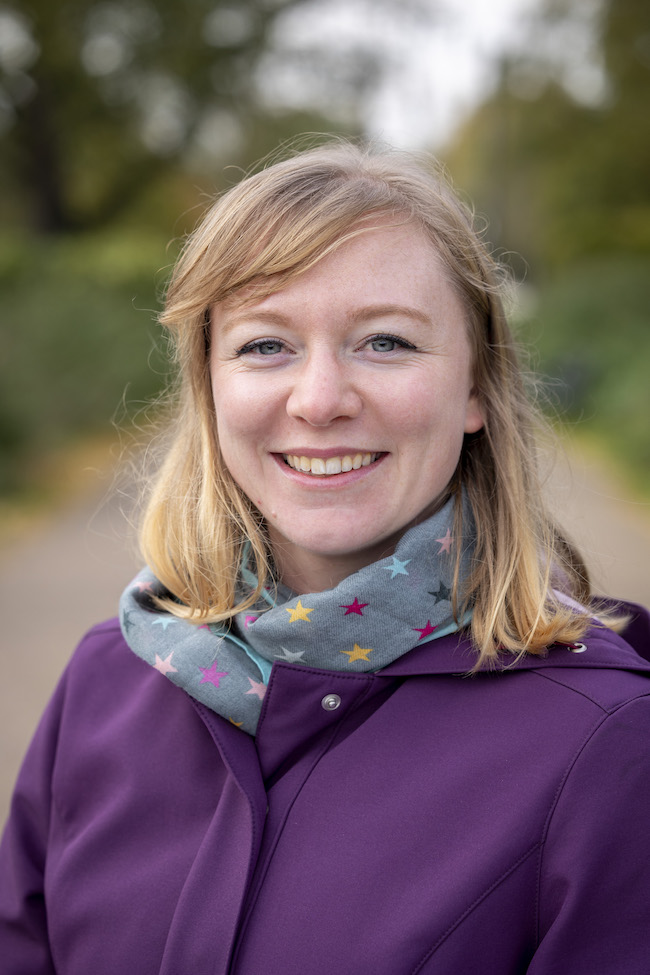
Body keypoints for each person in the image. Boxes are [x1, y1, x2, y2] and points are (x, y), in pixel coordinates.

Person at [1, 139, 649, 975]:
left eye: (384, 342)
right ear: (208, 386)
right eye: (266, 346)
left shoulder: (604, 744)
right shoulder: (106, 681)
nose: (319, 401)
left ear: (477, 387)